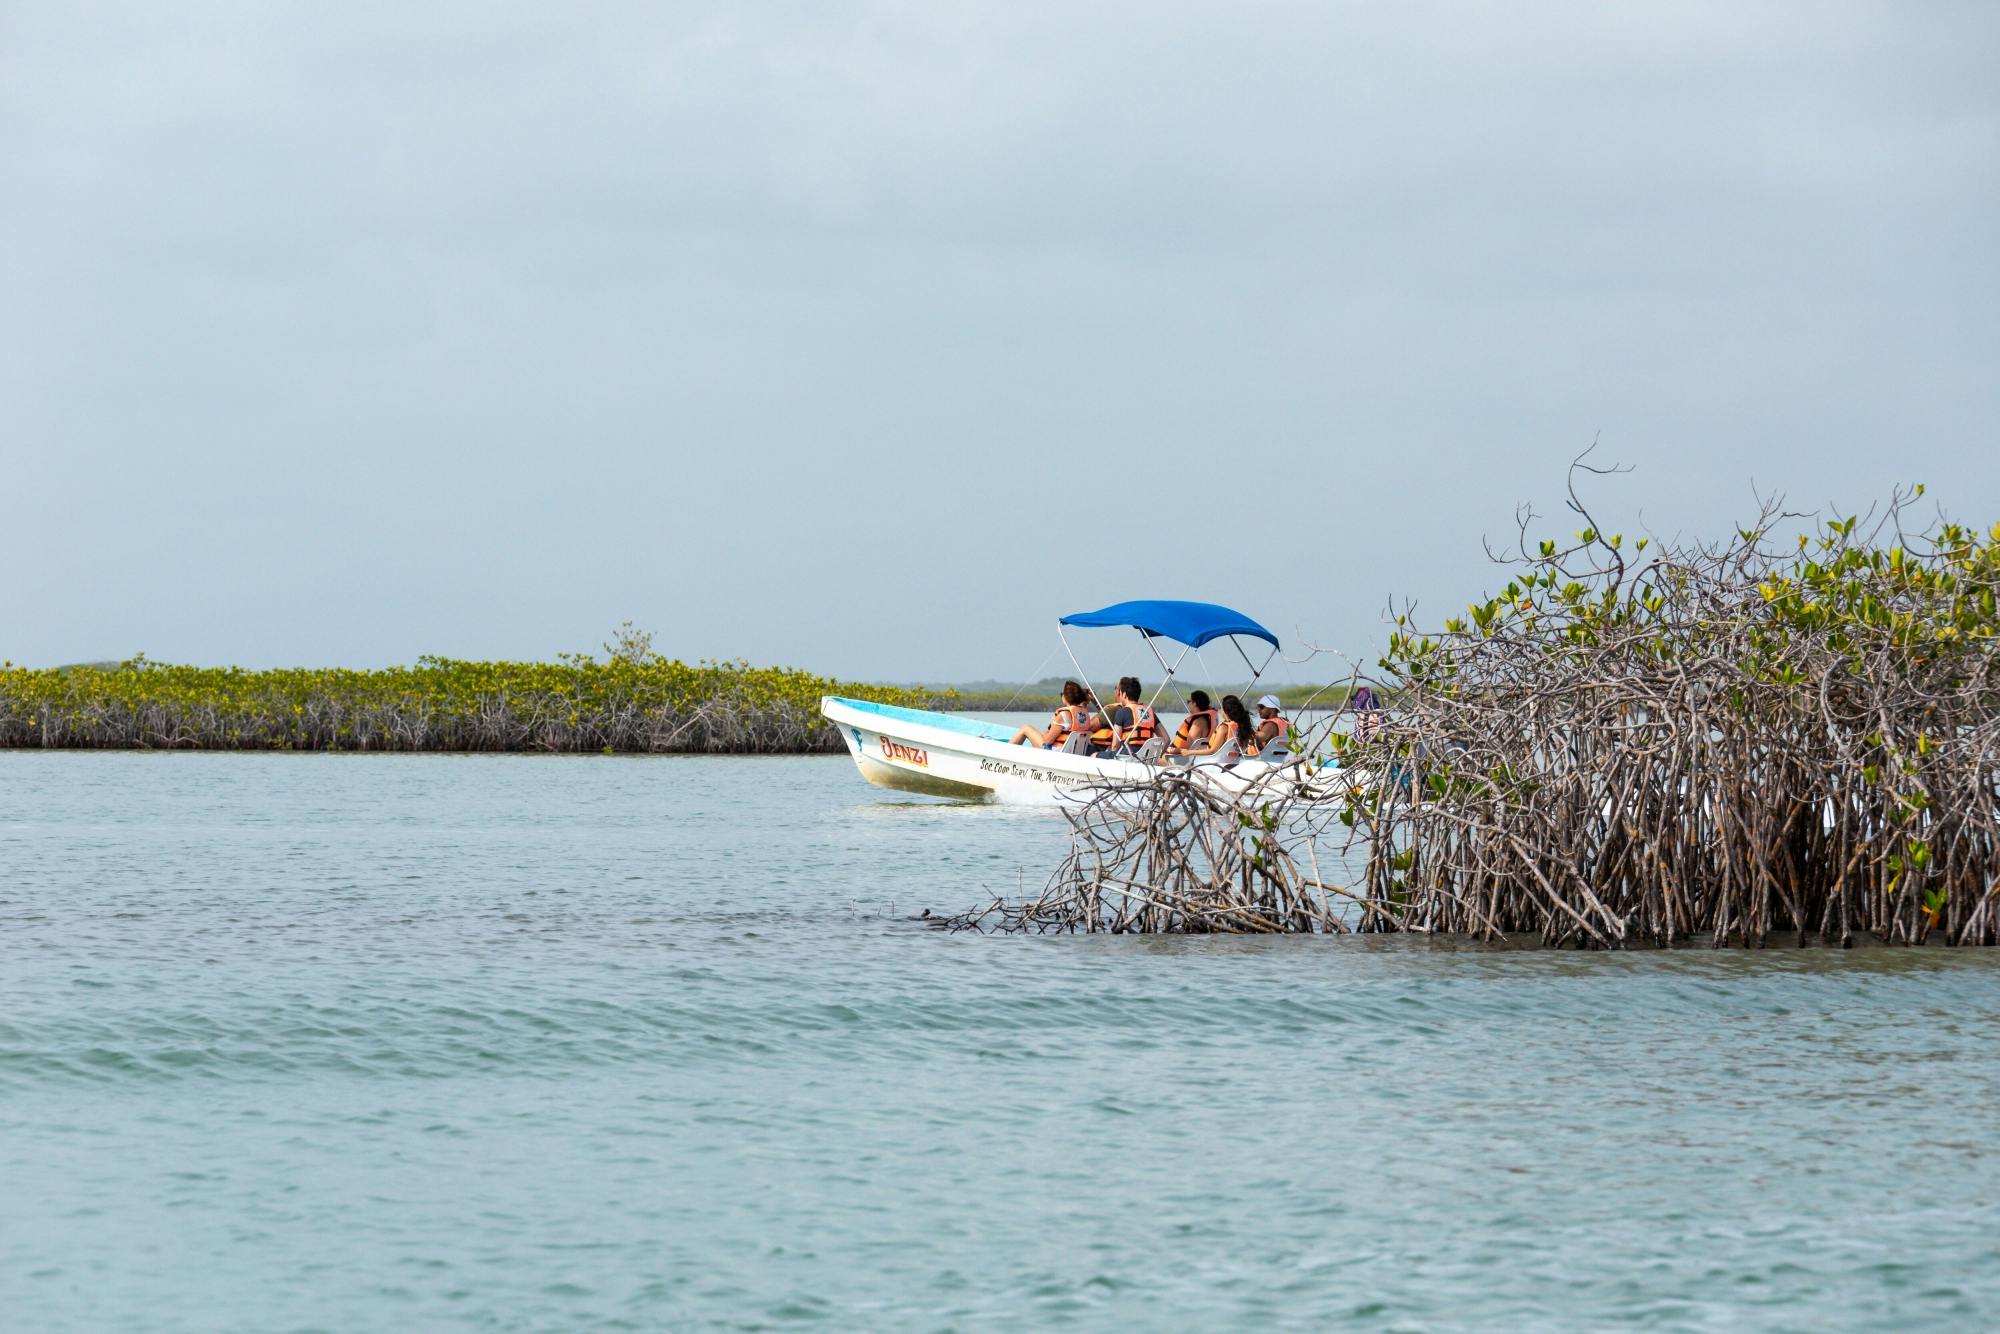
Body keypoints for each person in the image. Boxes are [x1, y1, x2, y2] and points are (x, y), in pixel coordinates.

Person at [1087, 676, 1161, 757]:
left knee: (1093, 755)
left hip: (1128, 756)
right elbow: (1166, 739)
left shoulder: (1122, 712)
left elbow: (1115, 746)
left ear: (1124, 694)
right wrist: (1155, 757)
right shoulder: (1149, 712)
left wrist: (1113, 756)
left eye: (1119, 690)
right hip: (1146, 756)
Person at [1011, 680, 1092, 748]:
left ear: (1066, 697)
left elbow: (1047, 741)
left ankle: (1006, 753)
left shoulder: (1063, 715)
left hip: (1057, 752)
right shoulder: (1084, 714)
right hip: (1072, 751)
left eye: (1062, 694)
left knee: (1026, 728)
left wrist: (1047, 732)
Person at [1182, 694, 1258, 760]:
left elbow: (1212, 751)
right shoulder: (1243, 726)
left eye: (1221, 708)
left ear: (1226, 710)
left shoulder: (1224, 728)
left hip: (1216, 763)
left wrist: (1189, 752)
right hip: (1234, 763)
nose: (1220, 710)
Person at [1166, 690, 1217, 754]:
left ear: (1194, 703)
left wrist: (1169, 750)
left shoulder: (1199, 723)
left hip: (1183, 757)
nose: (1188, 704)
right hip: (1185, 754)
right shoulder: (1205, 719)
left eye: (1188, 701)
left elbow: (1188, 748)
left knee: (1157, 755)